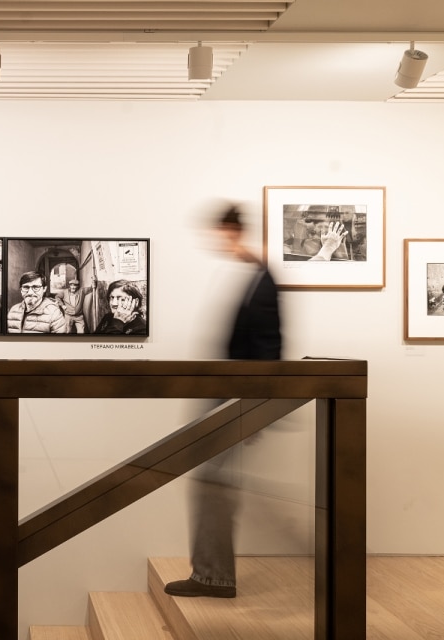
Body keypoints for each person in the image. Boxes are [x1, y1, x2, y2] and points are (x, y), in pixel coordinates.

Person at [164, 205, 282, 600]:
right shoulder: (242, 273)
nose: (213, 240)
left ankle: (213, 577)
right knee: (210, 480)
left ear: (232, 231)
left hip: (234, 400)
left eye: (218, 232)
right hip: (222, 396)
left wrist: (257, 409)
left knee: (212, 481)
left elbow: (269, 349)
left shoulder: (259, 277)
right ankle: (212, 574)